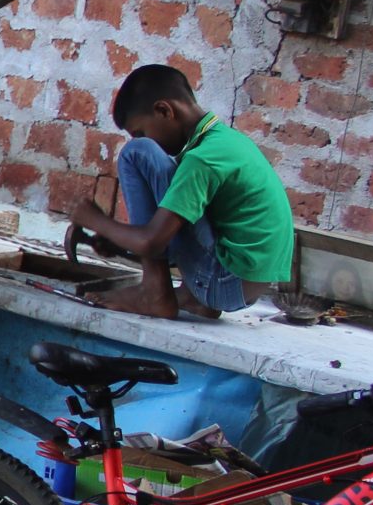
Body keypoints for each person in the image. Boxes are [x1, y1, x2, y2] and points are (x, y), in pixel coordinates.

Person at [66, 63, 296, 320]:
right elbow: (183, 233)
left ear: (164, 110)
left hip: (224, 282)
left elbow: (152, 242)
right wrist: (119, 240)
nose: (141, 137)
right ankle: (192, 297)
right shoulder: (225, 141)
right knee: (172, 195)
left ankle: (153, 293)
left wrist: (95, 220)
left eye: (140, 131)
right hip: (245, 284)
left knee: (138, 153)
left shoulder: (201, 160)